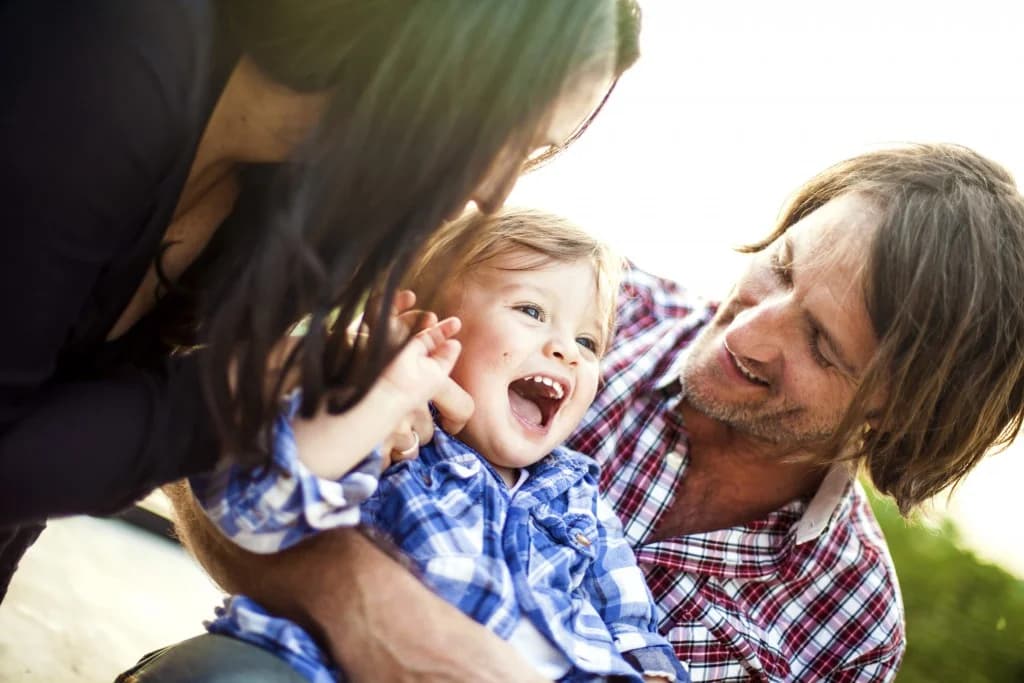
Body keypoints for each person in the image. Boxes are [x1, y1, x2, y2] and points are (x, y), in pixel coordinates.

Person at [141, 143, 1024, 682]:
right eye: (781, 266)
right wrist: (371, 605)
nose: (749, 332)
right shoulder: (557, 305)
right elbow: (204, 426)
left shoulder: (850, 627)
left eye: (823, 346)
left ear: (899, 423)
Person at [0, 0, 641, 603]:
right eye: (511, 134)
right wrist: (255, 384)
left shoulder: (297, 215)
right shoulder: (107, 55)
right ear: (438, 62)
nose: (498, 192)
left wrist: (310, 374)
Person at [190, 208, 691, 682]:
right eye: (531, 310)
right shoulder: (394, 435)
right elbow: (257, 508)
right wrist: (384, 395)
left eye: (589, 342)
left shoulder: (580, 497)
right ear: (422, 328)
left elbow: (632, 627)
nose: (566, 350)